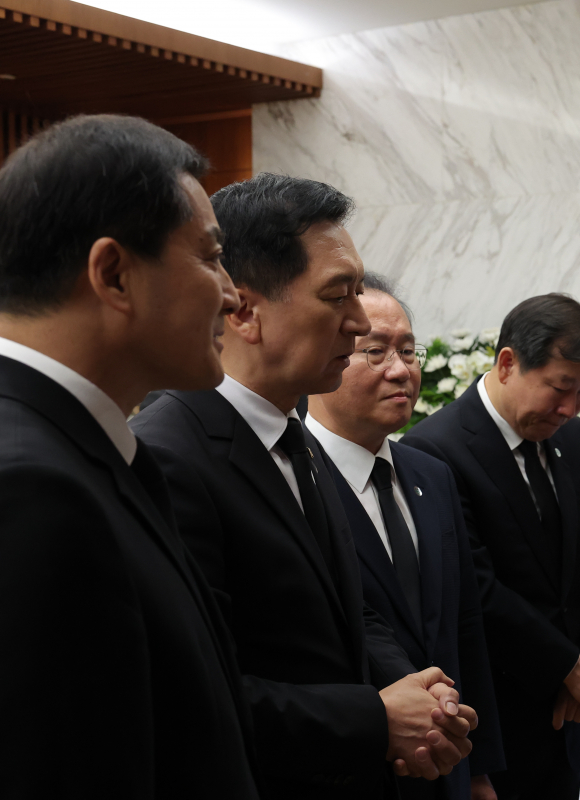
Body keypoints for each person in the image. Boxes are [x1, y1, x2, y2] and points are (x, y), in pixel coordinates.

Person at [131, 173, 478, 799]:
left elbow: (346, 607)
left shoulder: (294, 436)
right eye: (338, 296)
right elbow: (189, 691)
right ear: (244, 311)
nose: (357, 322)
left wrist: (419, 696)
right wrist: (375, 719)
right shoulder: (169, 455)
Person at [0, 115, 257, 797]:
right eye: (211, 257)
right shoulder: (28, 488)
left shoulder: (73, 447)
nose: (232, 294)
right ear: (114, 274)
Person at [403, 294, 580, 800]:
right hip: (497, 723)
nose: (570, 408)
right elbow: (475, 587)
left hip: (571, 715)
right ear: (507, 364)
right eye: (560, 388)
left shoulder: (572, 437)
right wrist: (566, 667)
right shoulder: (434, 450)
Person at [305, 273, 506, 800]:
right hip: (358, 770)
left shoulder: (430, 475)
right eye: (375, 352)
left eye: (409, 351)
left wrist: (479, 769)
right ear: (326, 356)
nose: (401, 370)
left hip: (449, 766)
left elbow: (464, 627)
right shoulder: (293, 479)